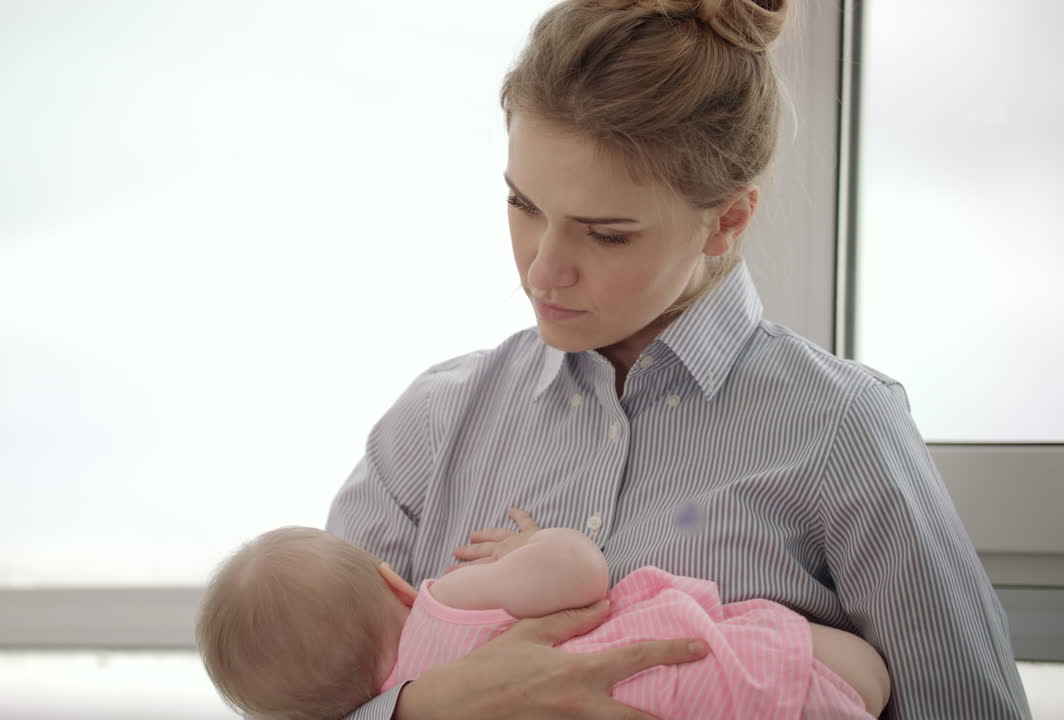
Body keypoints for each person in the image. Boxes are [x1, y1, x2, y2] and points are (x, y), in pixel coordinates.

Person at [326, 0, 1031, 718]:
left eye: (605, 234)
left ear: (727, 220)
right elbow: (297, 693)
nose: (541, 272)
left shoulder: (843, 429)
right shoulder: (432, 427)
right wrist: (424, 709)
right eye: (524, 204)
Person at [197, 523, 889, 720]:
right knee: (869, 675)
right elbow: (581, 574)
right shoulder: (447, 602)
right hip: (719, 672)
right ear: (394, 584)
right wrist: (524, 551)